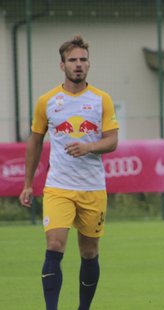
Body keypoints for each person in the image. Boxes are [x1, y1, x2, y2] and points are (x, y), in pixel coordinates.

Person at [19, 35, 119, 310]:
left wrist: (89, 147)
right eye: (72, 60)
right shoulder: (47, 101)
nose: (78, 65)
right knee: (55, 244)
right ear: (62, 65)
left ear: (89, 64)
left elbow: (112, 141)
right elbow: (35, 141)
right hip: (58, 187)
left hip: (92, 187)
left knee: (89, 253)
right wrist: (28, 184)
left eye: (83, 60)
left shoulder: (102, 100)